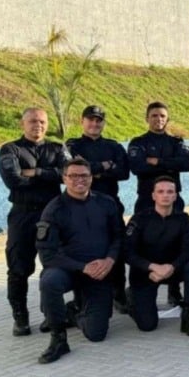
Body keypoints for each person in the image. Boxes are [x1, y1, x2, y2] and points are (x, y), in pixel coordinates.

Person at [35, 158, 124, 363]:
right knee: (49, 282)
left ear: (91, 178)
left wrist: (110, 260)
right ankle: (59, 339)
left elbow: (118, 237)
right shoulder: (54, 209)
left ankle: (71, 312)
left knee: (96, 334)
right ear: (64, 178)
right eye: (73, 176)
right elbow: (47, 253)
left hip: (100, 271)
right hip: (69, 269)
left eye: (84, 175)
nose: (79, 180)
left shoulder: (106, 203)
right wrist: (82, 267)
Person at [0, 107, 69, 336]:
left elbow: (67, 175)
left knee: (54, 266)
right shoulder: (11, 149)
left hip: (52, 214)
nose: (37, 125)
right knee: (18, 268)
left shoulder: (57, 148)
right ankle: (21, 318)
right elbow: (13, 180)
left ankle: (50, 314)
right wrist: (49, 174)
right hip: (23, 215)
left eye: (41, 121)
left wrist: (35, 172)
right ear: (23, 124)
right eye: (32, 121)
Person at [67, 105, 130, 313]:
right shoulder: (72, 145)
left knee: (117, 246)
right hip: (80, 205)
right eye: (91, 119)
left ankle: (119, 293)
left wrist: (92, 169)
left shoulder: (113, 146)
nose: (95, 124)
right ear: (82, 121)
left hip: (110, 204)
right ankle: (81, 297)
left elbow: (123, 172)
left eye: (99, 120)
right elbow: (74, 170)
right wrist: (105, 166)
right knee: (80, 248)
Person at [125, 176, 189, 336]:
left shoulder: (183, 219)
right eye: (160, 192)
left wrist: (172, 267)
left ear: (175, 196)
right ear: (153, 195)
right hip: (146, 272)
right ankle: (132, 297)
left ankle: (188, 315)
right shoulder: (139, 219)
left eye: (170, 192)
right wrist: (152, 267)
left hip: (173, 269)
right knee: (147, 325)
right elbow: (127, 253)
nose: (165, 195)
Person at [128, 101, 189, 213]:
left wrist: (157, 161)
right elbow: (137, 168)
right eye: (154, 115)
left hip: (173, 201)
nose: (159, 119)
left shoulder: (176, 142)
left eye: (162, 116)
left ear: (167, 119)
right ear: (147, 119)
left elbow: (186, 164)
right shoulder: (138, 142)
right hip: (146, 201)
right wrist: (172, 165)